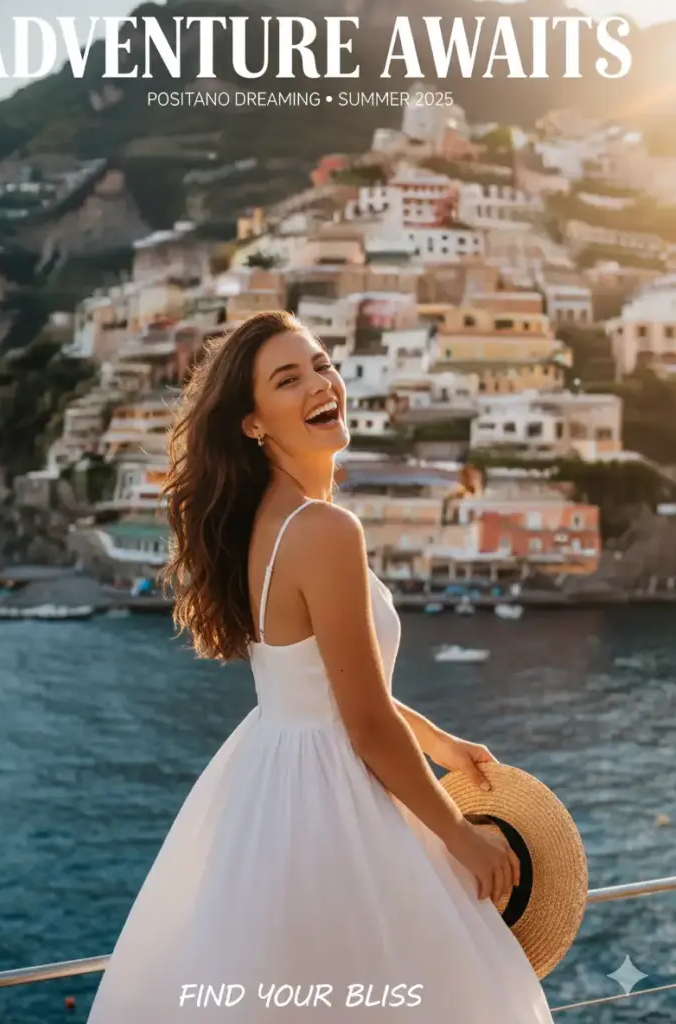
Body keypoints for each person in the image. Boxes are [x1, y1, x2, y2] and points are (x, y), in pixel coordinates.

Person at [87, 311, 553, 1022]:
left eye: (322, 364)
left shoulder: (261, 522)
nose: (320, 383)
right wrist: (458, 836)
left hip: (272, 780)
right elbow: (361, 723)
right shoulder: (324, 529)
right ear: (252, 423)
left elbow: (325, 683)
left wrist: (435, 741)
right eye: (288, 378)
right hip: (333, 793)